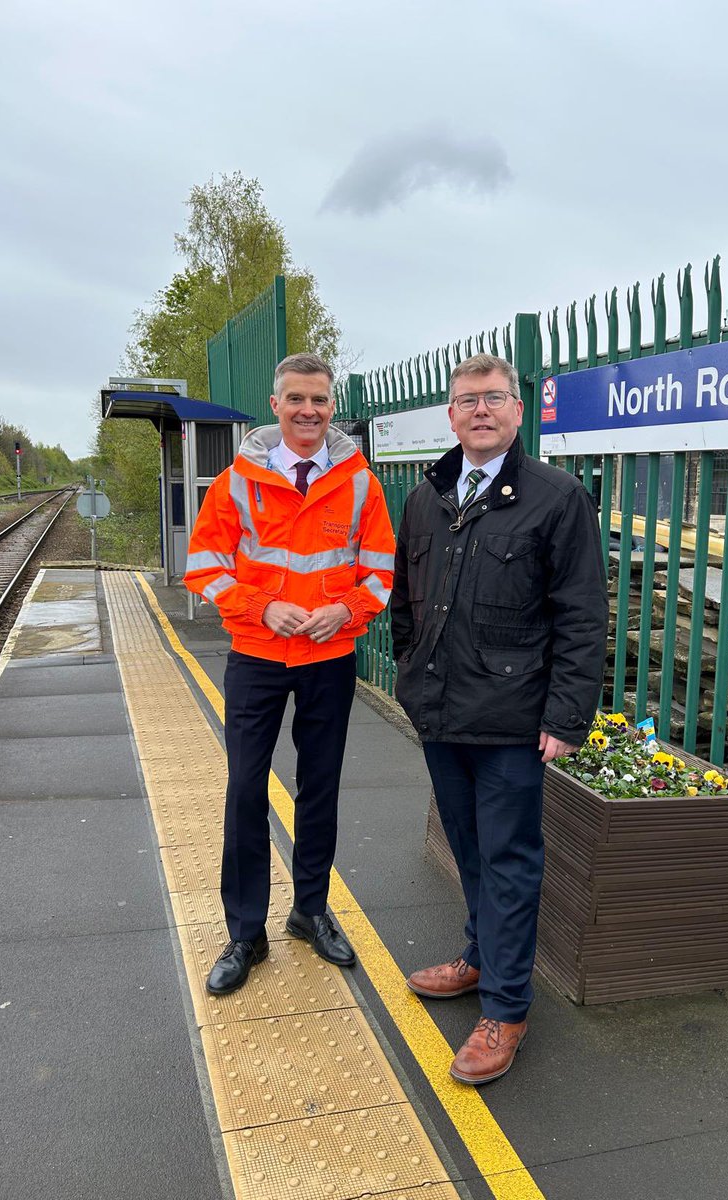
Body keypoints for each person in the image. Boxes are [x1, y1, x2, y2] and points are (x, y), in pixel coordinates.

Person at [391, 353, 608, 1084]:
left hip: (515, 722)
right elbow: (404, 601)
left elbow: (582, 618)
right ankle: (481, 958)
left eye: (493, 398)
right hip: (442, 713)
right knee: (471, 851)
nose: (479, 410)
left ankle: (507, 1008)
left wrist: (566, 715)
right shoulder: (428, 495)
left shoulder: (556, 496)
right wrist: (411, 671)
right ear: (449, 416)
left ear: (518, 411)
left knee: (510, 863)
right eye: (466, 401)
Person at [184, 352, 395, 995]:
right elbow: (204, 566)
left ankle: (310, 910)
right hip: (256, 655)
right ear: (275, 406)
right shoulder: (236, 481)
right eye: (296, 400)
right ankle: (245, 931)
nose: (308, 411)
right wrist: (261, 605)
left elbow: (381, 573)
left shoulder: (360, 482)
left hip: (329, 658)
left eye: (320, 401)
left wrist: (346, 609)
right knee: (246, 789)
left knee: (320, 788)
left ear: (333, 408)